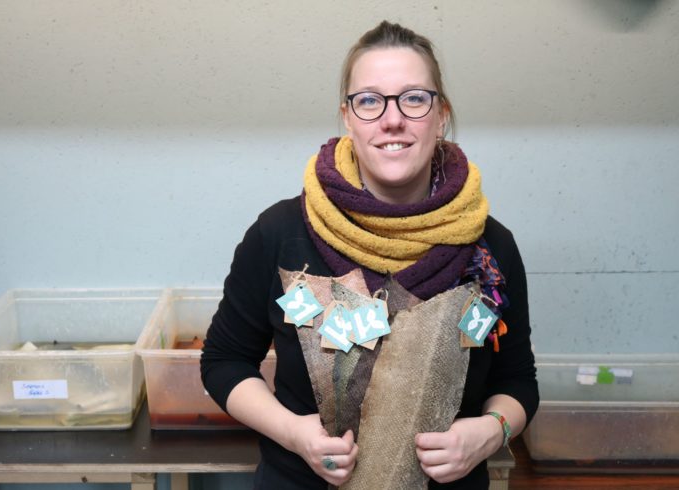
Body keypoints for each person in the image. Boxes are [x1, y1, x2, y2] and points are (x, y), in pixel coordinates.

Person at [201, 20, 538, 490]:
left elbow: (518, 380)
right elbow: (223, 361)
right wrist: (294, 433)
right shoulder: (281, 233)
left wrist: (491, 431)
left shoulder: (489, 245)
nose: (392, 119)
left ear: (441, 115)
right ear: (348, 116)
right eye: (369, 100)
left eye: (414, 99)